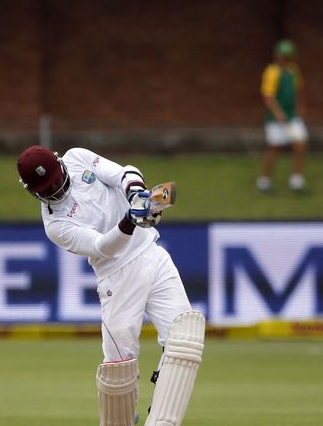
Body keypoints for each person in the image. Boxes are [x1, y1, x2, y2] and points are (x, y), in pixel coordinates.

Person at [16, 145, 205, 426]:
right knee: (119, 368)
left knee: (184, 339)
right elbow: (103, 247)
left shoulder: (77, 157)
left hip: (151, 254)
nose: (55, 189)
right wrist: (130, 219)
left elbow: (123, 173)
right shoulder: (55, 225)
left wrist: (136, 195)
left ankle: (162, 421)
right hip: (117, 277)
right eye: (47, 189)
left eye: (56, 180)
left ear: (60, 163)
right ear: (32, 191)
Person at [257, 39, 308, 193]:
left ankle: (296, 182)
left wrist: (299, 107)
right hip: (275, 119)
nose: (285, 59)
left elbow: (297, 90)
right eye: (283, 56)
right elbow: (268, 96)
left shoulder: (293, 71)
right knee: (274, 148)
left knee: (300, 144)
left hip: (292, 117)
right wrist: (277, 112)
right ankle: (264, 181)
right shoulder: (271, 72)